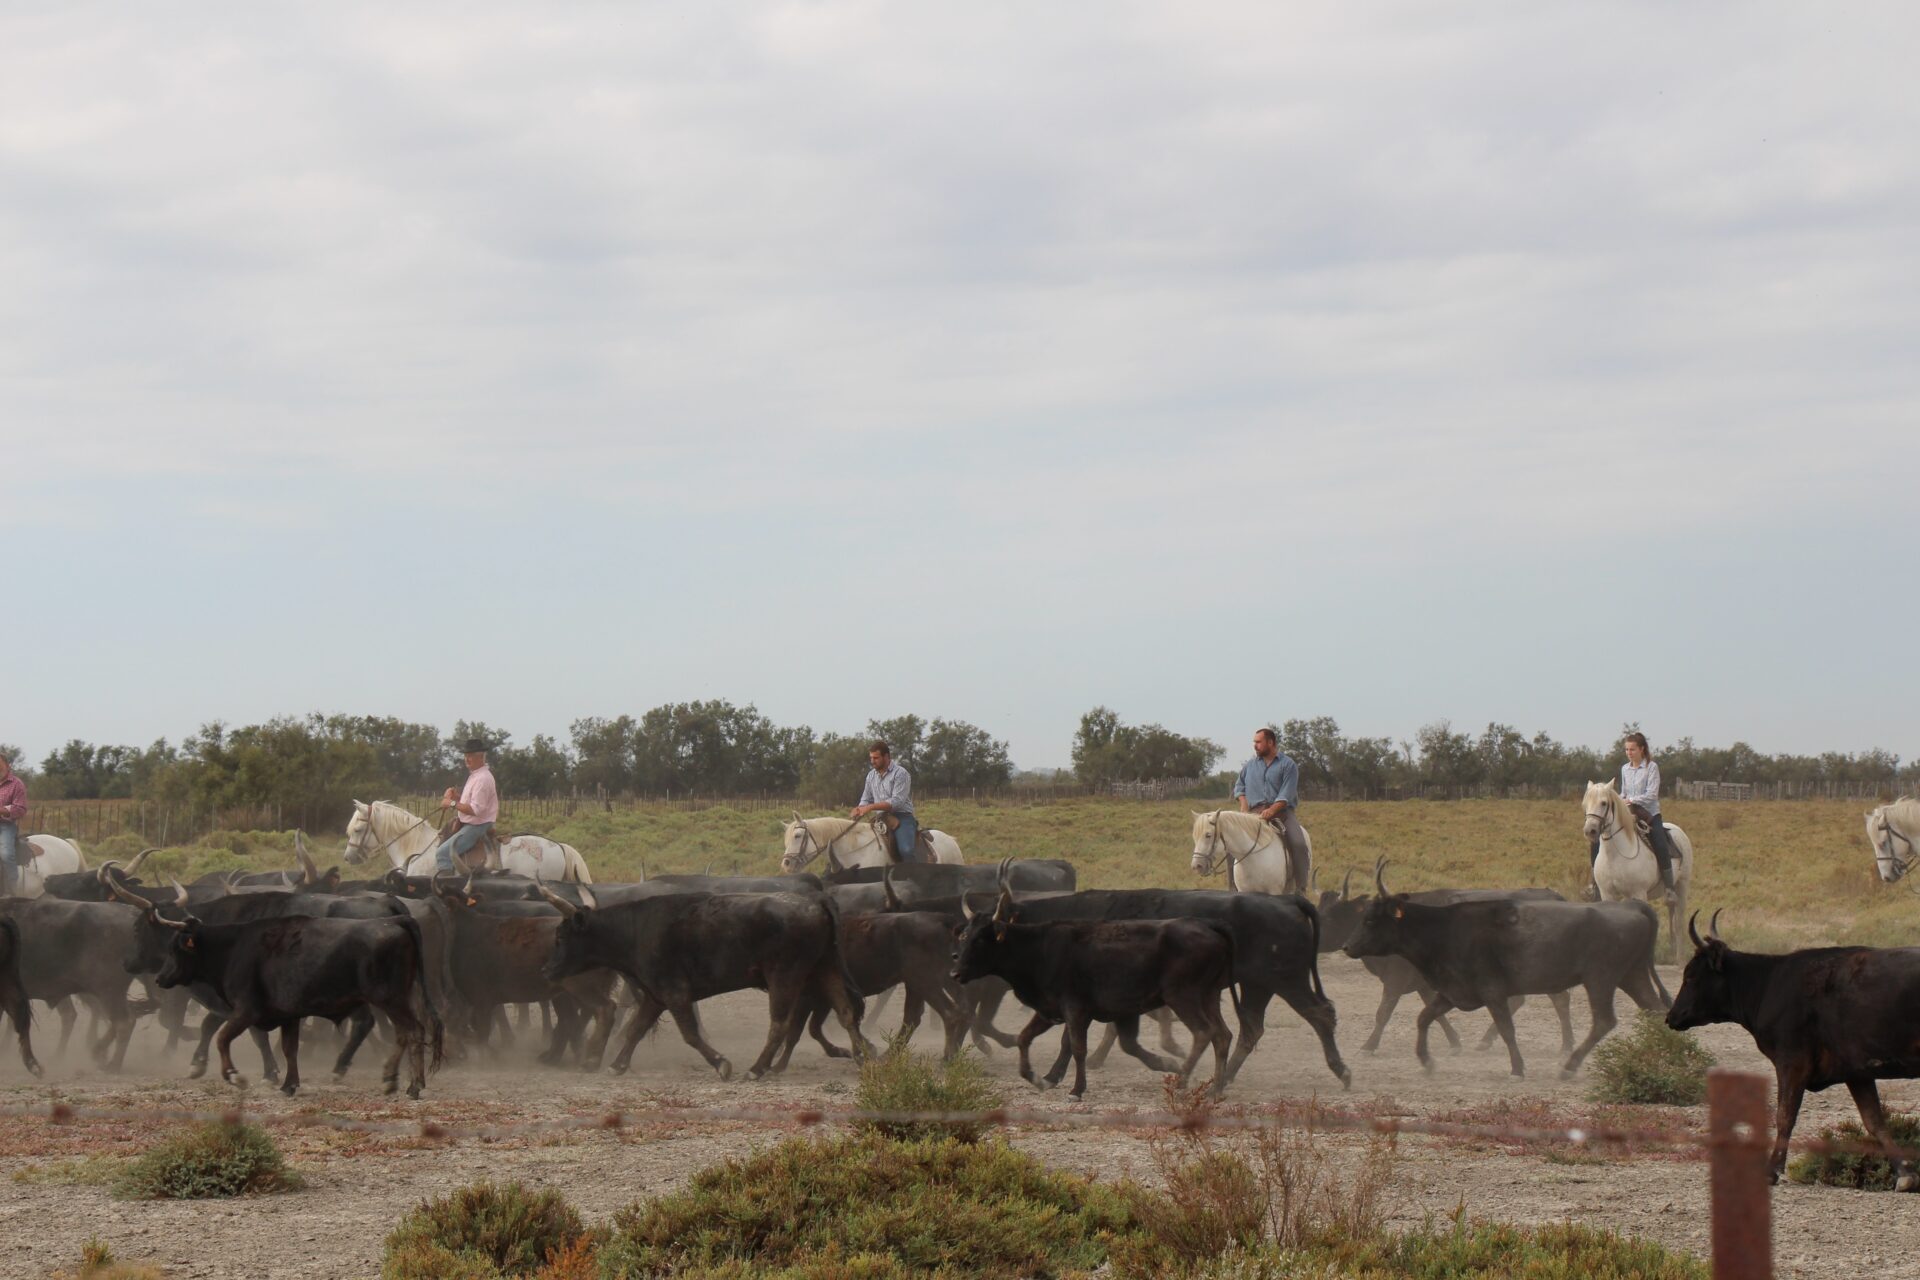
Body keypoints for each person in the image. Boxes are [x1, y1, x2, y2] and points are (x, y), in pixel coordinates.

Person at [1590, 730, 1676, 897]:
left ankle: (1669, 887)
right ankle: (1594, 884)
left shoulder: (1652, 767)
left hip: (1649, 813)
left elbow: (1652, 794)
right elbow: (1623, 792)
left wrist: (1632, 800)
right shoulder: (1625, 769)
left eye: (1632, 749)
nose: (1629, 753)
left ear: (1642, 749)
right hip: (1628, 812)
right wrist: (1622, 800)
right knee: (1598, 839)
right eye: (1627, 750)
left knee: (1659, 840)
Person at [1232, 727, 1310, 892]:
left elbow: (1286, 794)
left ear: (1270, 742)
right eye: (1254, 742)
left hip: (1282, 813)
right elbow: (1239, 787)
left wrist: (1272, 810)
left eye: (1258, 742)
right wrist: (1244, 804)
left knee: (1298, 843)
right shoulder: (1250, 766)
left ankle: (1301, 887)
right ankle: (1232, 890)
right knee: (1231, 845)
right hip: (1252, 814)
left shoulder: (1288, 765)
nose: (1255, 745)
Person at [430, 738, 498, 874]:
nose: (467, 759)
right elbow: (472, 803)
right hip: (471, 823)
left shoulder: (482, 779)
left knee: (442, 854)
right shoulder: (475, 776)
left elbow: (476, 810)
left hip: (477, 826)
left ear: (481, 757)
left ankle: (447, 890)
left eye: (471, 756)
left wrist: (452, 803)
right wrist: (457, 798)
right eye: (466, 756)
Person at [851, 740, 919, 863]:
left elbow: (897, 802)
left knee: (906, 850)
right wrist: (859, 809)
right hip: (880, 818)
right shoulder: (871, 775)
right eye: (871, 758)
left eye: (876, 758)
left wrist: (871, 807)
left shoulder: (900, 774)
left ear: (886, 756)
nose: (872, 761)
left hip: (902, 816)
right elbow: (866, 798)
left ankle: (913, 877)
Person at [0, 755, 26, 897]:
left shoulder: (16, 784)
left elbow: (20, 809)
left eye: (0, 765)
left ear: (7, 766)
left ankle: (12, 890)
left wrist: (2, 810)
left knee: (6, 853)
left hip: (5, 826)